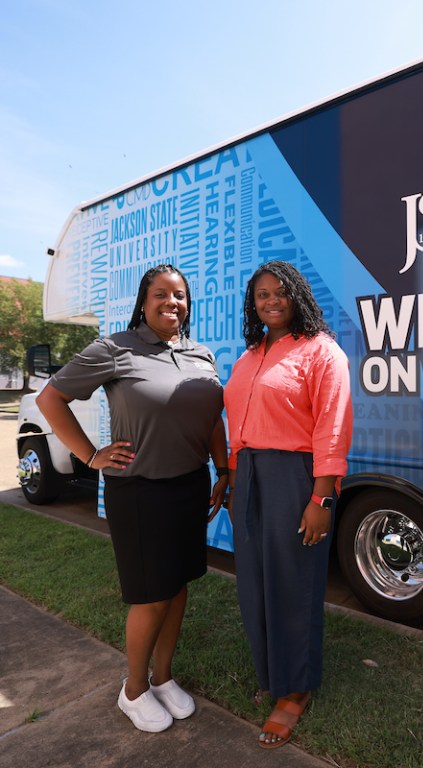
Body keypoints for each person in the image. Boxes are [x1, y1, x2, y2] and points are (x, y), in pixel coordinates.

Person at [37, 263, 228, 733]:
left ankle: (163, 679)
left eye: (180, 295)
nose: (172, 303)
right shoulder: (115, 349)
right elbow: (50, 399)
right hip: (140, 490)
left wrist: (223, 470)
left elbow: (213, 420)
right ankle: (135, 690)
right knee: (152, 596)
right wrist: (89, 454)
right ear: (143, 301)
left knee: (179, 586)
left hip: (190, 486)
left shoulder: (200, 353)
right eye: (161, 294)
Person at [224, 260, 353, 750]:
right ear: (252, 304)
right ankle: (272, 673)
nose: (271, 300)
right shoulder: (249, 354)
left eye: (280, 292)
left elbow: (332, 428)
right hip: (249, 475)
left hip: (295, 478)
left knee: (293, 582)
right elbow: (237, 424)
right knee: (255, 581)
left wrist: (322, 496)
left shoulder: (322, 352)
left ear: (297, 295)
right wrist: (235, 480)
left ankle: (295, 688)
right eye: (261, 295)